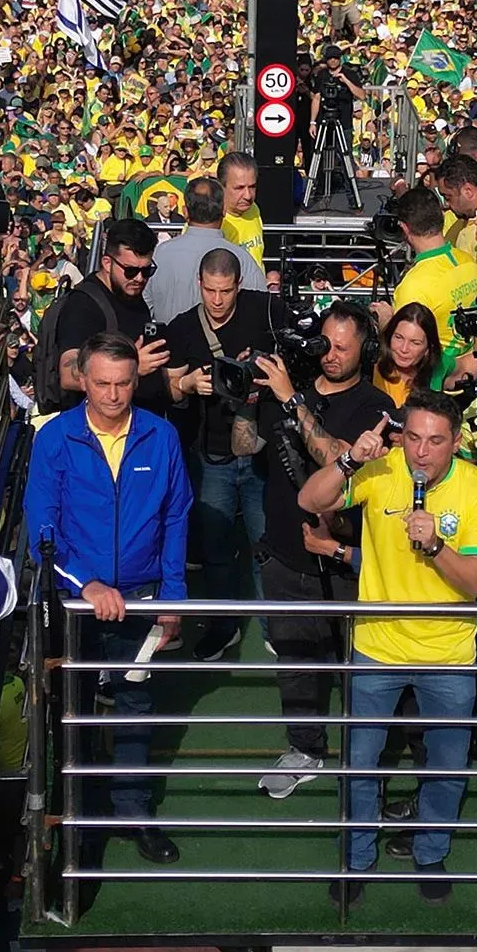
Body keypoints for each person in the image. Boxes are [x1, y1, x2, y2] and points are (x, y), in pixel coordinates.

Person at [295, 393, 477, 906]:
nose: (421, 452)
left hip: (449, 653)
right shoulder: (381, 469)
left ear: (456, 443)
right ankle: (357, 859)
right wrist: (348, 461)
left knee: (446, 765)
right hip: (376, 645)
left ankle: (431, 856)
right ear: (400, 436)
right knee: (361, 763)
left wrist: (436, 547)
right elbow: (310, 501)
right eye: (412, 437)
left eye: (435, 440)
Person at [27, 336, 191, 863]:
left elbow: (175, 518)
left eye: (123, 384)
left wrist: (174, 598)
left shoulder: (161, 437)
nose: (113, 395)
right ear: (82, 380)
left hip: (142, 597)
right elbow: (41, 528)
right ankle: (76, 817)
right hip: (75, 607)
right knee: (68, 711)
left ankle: (134, 813)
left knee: (136, 707)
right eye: (102, 384)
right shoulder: (53, 439)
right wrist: (86, 585)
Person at [251, 305, 396, 800]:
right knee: (293, 662)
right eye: (325, 345)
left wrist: (292, 401)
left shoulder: (374, 405)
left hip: (343, 560)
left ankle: (364, 758)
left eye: (342, 348)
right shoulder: (288, 389)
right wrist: (240, 396)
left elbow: (340, 458)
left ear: (366, 352)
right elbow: (246, 444)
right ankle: (305, 747)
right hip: (284, 553)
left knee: (353, 667)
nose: (329, 356)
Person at [159, 248, 281, 660]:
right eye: (210, 290)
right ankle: (224, 626)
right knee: (215, 550)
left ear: (238, 287)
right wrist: (190, 384)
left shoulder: (266, 313)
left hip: (259, 449)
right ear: (199, 285)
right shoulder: (181, 328)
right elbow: (169, 387)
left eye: (225, 291)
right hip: (210, 454)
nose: (216, 300)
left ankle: (273, 628)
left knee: (266, 545)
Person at [36, 219, 173, 416]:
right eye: (131, 270)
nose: (139, 279)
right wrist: (131, 367)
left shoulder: (131, 294)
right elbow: (68, 374)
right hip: (97, 430)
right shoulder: (83, 305)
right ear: (107, 263)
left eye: (147, 270)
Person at [146, 177, 263, 326]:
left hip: (169, 346)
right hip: (228, 348)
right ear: (224, 211)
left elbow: (144, 307)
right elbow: (260, 313)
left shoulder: (159, 254)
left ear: (185, 212)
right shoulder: (242, 259)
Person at [387, 186, 477, 349]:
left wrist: (385, 322)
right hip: (467, 364)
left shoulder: (413, 286)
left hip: (436, 371)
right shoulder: (468, 262)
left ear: (404, 228)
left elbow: (403, 352)